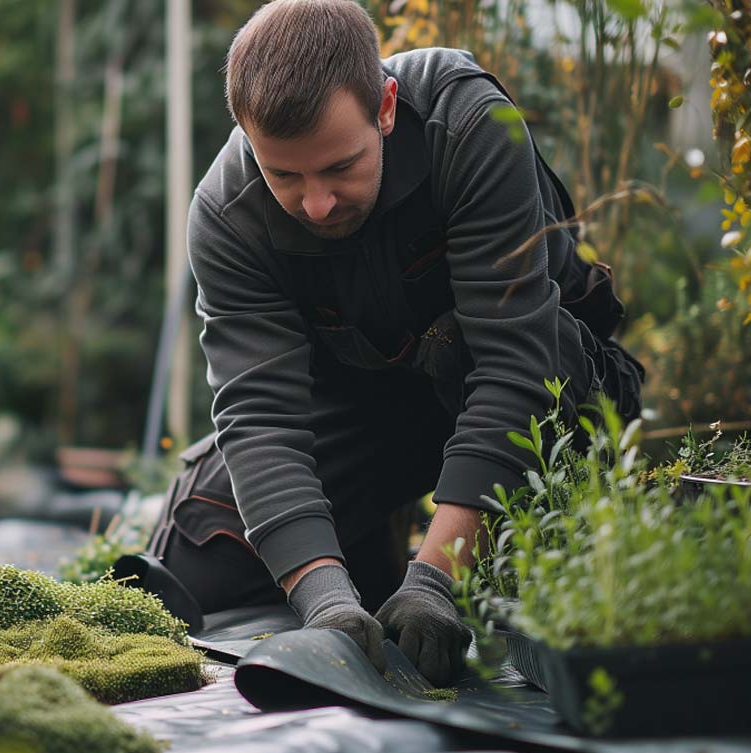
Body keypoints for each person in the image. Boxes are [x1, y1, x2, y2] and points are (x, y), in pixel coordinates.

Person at [148, 0, 644, 687]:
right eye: (284, 176)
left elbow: (516, 365)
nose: (315, 204)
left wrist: (435, 579)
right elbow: (261, 419)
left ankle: (453, 563)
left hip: (536, 389)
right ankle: (367, 561)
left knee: (555, 598)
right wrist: (322, 601)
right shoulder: (225, 213)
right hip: (369, 410)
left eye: (339, 167)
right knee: (200, 555)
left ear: (385, 107)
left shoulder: (469, 124)